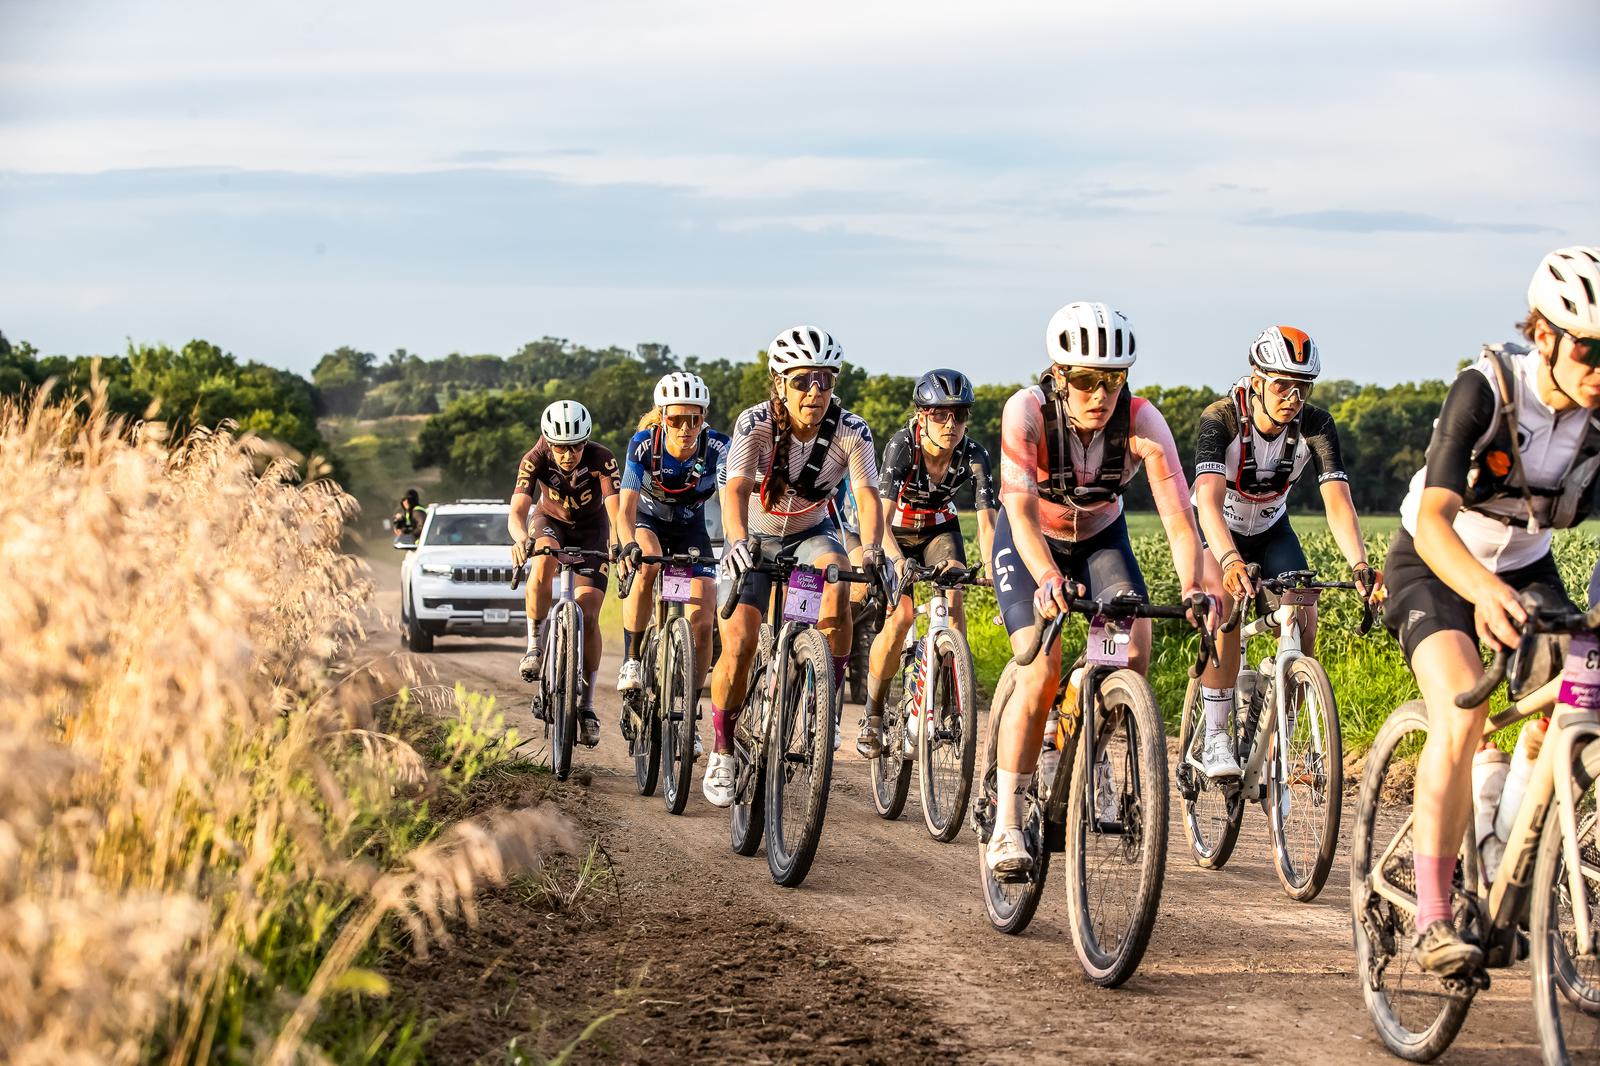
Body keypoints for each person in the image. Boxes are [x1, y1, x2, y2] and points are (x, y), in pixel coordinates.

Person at [1383, 246, 1600, 977]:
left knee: (1582, 692)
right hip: (1436, 560)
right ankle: (1434, 915)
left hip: (1524, 562)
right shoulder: (1487, 390)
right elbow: (1439, 519)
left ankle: (1506, 836)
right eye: (1590, 350)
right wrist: (1481, 592)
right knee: (1460, 709)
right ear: (1545, 335)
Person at [985, 301, 1220, 879]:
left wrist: (1193, 586)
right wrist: (1045, 578)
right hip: (1032, 538)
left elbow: (1177, 520)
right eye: (1087, 380)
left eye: (1112, 380)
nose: (1100, 394)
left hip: (1099, 535)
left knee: (1132, 652)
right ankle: (1008, 824)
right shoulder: (1027, 413)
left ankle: (1088, 741)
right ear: (1060, 378)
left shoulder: (1142, 422)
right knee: (1039, 666)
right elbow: (1016, 513)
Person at [703, 326, 888, 807]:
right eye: (804, 380)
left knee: (838, 580)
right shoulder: (755, 424)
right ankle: (723, 747)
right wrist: (737, 540)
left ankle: (823, 703)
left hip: (809, 535)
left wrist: (870, 549)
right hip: (755, 539)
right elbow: (737, 489)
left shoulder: (852, 430)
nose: (815, 392)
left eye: (826, 380)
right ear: (779, 382)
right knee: (740, 644)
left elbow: (867, 496)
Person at [1190, 327, 1379, 779]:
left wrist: (1360, 564)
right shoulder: (1221, 419)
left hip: (1273, 529)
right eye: (1281, 385)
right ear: (1256, 382)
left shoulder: (1316, 425)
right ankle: (1216, 732)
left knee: (1303, 611)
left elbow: (1337, 499)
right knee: (1224, 600)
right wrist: (1231, 560)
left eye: (1303, 387)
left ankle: (1284, 732)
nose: (1292, 397)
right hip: (1220, 530)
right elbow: (1208, 500)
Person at [855, 369, 998, 758]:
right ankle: (873, 713)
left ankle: (954, 703)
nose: (951, 424)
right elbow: (878, 522)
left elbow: (987, 522)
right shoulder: (903, 446)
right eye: (939, 414)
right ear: (922, 416)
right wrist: (898, 562)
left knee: (953, 607)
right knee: (900, 617)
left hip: (939, 530)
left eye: (960, 414)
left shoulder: (975, 454)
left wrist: (992, 568)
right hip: (895, 531)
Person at [614, 372, 730, 756]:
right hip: (648, 522)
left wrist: (737, 543)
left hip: (690, 528)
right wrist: (627, 543)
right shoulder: (644, 445)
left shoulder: (718, 447)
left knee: (704, 609)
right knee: (647, 564)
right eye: (677, 419)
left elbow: (735, 501)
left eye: (694, 419)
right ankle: (632, 659)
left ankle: (689, 708)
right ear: (662, 417)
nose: (686, 428)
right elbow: (626, 507)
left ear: (704, 418)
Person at [508, 400, 621, 748]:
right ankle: (535, 645)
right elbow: (517, 510)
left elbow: (615, 510)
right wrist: (520, 538)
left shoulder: (602, 458)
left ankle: (586, 708)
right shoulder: (534, 458)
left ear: (586, 442)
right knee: (542, 562)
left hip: (591, 530)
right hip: (550, 522)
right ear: (548, 441)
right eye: (560, 446)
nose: (568, 454)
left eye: (575, 446)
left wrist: (618, 542)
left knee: (588, 613)